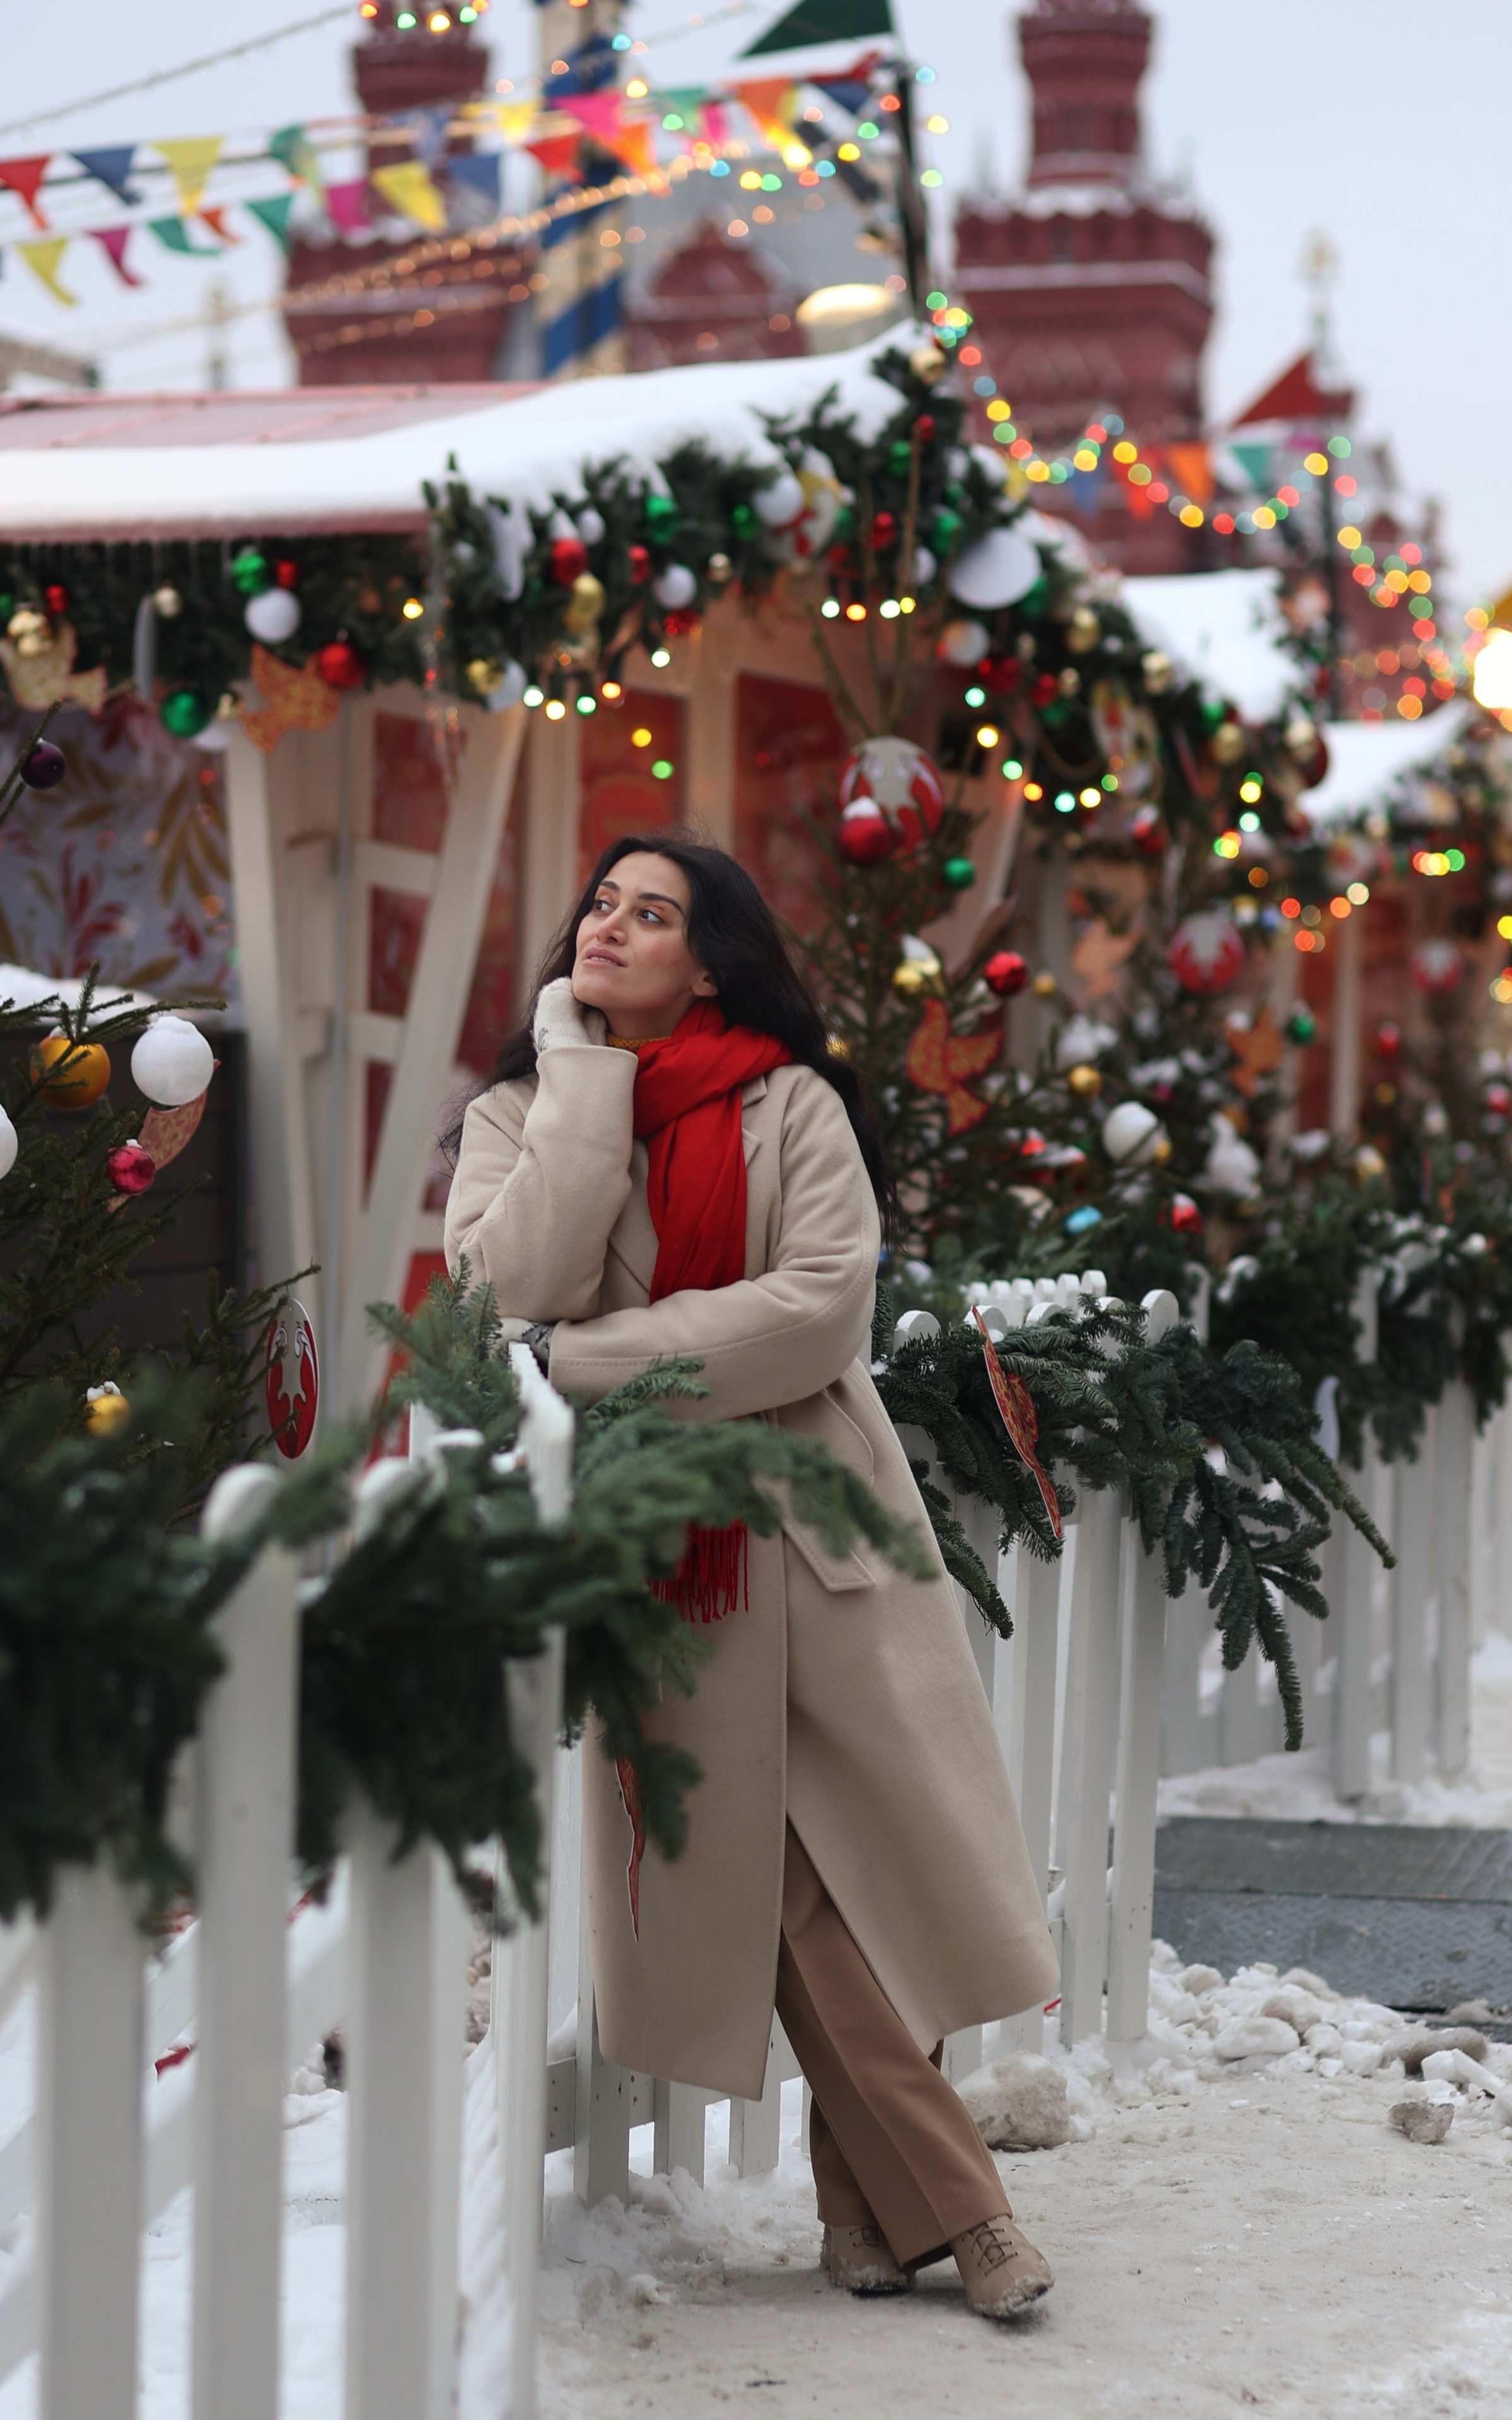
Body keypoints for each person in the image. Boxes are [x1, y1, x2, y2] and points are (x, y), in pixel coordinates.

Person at [445, 833, 1059, 2318]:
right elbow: (504, 1288)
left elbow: (814, 1311)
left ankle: (872, 2213)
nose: (608, 924)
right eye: (600, 902)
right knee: (781, 1892)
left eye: (651, 912)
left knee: (869, 1873)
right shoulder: (522, 1112)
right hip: (661, 1553)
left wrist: (584, 1360)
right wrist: (582, 1080)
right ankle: (962, 2208)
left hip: (813, 1528)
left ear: (709, 959)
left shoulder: (793, 1105)